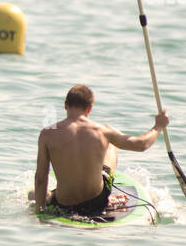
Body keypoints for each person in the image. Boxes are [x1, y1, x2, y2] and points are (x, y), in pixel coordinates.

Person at [33, 84, 169, 217]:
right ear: (89, 108)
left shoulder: (47, 134)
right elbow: (141, 145)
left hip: (64, 204)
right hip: (96, 203)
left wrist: (40, 211)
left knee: (32, 194)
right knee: (111, 145)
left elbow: (40, 178)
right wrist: (158, 126)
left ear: (65, 105)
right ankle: (108, 197)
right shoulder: (103, 131)